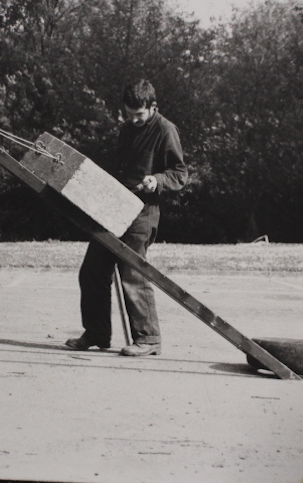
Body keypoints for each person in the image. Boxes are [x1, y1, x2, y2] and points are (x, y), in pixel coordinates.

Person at [66, 79, 188, 356]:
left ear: (153, 107)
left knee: (133, 274)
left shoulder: (165, 130)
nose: (133, 120)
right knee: (92, 272)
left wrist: (157, 180)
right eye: (128, 114)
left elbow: (180, 173)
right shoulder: (126, 129)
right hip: (114, 209)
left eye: (139, 115)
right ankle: (97, 333)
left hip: (143, 212)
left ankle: (148, 339)